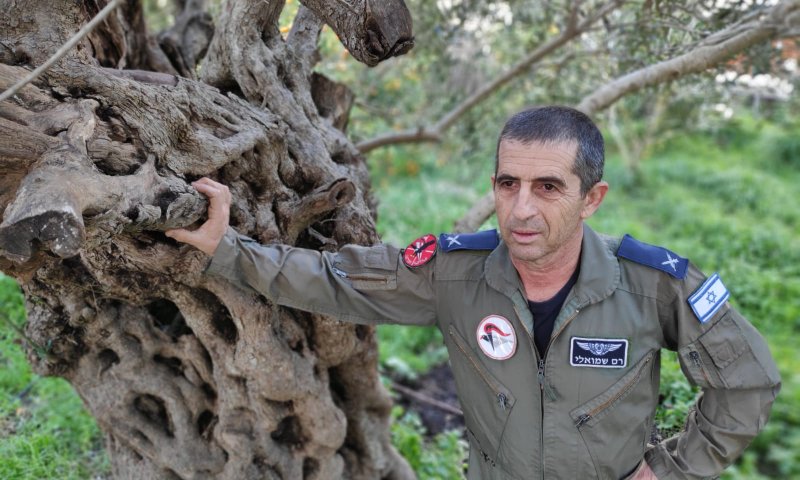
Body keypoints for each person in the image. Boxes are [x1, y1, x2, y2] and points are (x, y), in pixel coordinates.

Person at [166, 106, 780, 480]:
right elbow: (335, 280)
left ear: (592, 198)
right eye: (508, 183)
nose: (520, 209)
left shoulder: (654, 284)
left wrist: (671, 471)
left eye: (548, 187)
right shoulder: (458, 272)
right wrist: (226, 247)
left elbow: (747, 382)